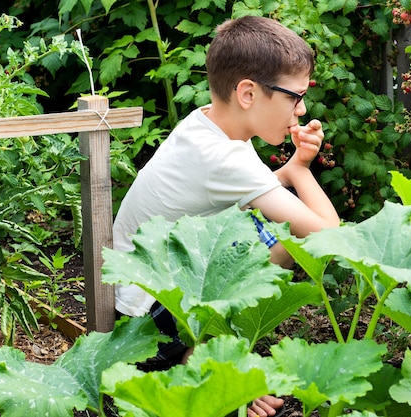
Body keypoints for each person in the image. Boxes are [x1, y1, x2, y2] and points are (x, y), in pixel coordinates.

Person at [111, 15, 340, 417]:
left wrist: (293, 165)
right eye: (294, 96)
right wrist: (302, 171)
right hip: (153, 326)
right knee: (283, 239)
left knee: (257, 231)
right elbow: (327, 233)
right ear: (248, 93)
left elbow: (256, 188)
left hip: (139, 301)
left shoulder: (208, 125)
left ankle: (214, 362)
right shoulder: (227, 157)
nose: (302, 109)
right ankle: (201, 370)